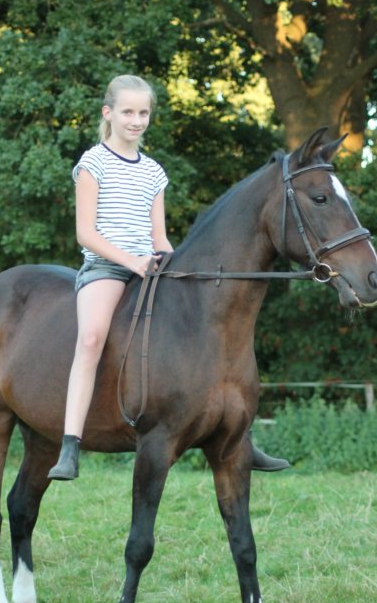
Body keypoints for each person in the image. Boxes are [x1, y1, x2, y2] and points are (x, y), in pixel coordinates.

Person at [48, 74, 289, 480]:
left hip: (150, 266)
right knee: (90, 338)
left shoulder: (153, 172)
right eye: (128, 112)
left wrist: (175, 263)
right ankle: (70, 443)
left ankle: (240, 436)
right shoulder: (92, 163)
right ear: (108, 113)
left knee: (211, 332)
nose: (136, 120)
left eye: (143, 112)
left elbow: (159, 236)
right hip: (106, 268)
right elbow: (85, 233)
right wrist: (131, 261)